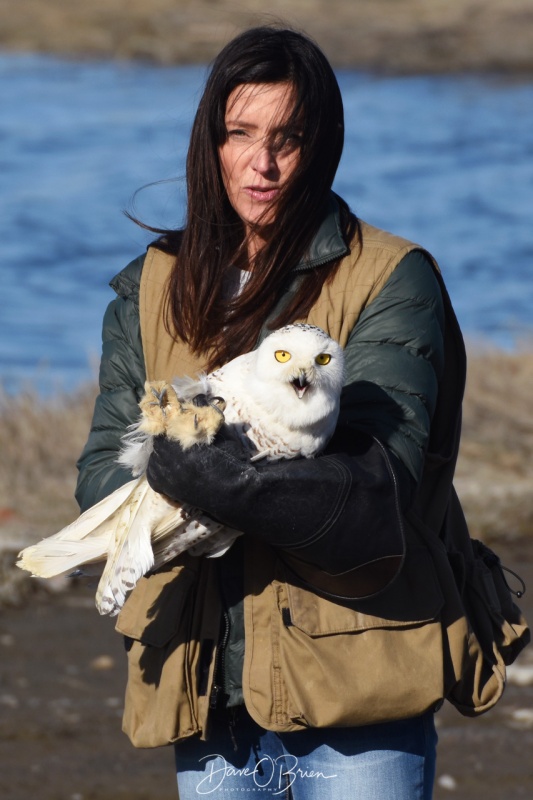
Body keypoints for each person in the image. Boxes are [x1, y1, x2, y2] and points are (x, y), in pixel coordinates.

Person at [76, 26, 468, 800]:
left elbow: (373, 495)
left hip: (359, 703)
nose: (263, 163)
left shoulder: (392, 280)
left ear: (320, 145)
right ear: (208, 142)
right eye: (240, 134)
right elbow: (99, 480)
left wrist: (197, 477)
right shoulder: (153, 288)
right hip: (208, 697)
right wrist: (197, 479)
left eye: (287, 138)